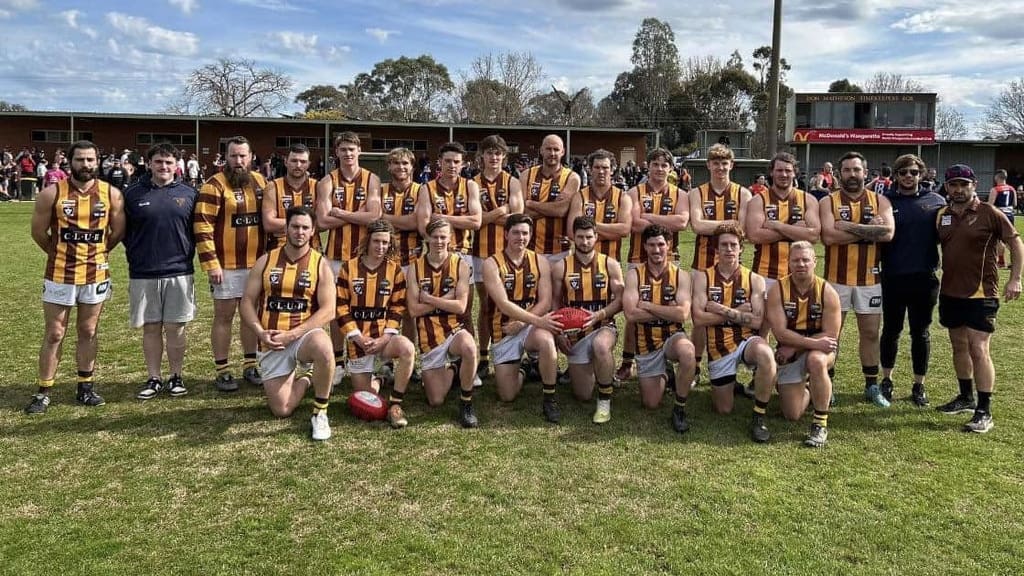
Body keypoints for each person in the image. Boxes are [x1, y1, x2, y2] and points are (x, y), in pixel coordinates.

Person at [25, 140, 125, 414]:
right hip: (59, 274)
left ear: (98, 161)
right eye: (80, 159)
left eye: (90, 160)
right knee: (55, 332)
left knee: (88, 330)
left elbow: (116, 233)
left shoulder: (111, 194)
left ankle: (85, 386)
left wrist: (97, 255)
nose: (86, 165)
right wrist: (59, 255)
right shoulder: (51, 194)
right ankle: (44, 391)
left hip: (95, 274)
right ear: (70, 162)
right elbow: (38, 233)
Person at [935, 164, 1022, 433]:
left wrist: (1016, 278)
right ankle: (965, 397)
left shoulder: (990, 213)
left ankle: (984, 410)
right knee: (958, 345)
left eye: (964, 184)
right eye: (953, 185)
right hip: (950, 291)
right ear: (947, 188)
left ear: (974, 185)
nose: (959, 190)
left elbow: (1016, 243)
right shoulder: (942, 215)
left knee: (978, 348)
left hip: (981, 293)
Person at [239, 206, 336, 440]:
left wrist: (293, 335)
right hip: (272, 341)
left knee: (324, 348)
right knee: (281, 410)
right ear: (286, 228)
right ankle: (308, 376)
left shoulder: (320, 264)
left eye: (305, 228)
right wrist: (260, 333)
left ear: (313, 231)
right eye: (295, 226)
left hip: (303, 337)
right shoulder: (266, 260)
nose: (299, 232)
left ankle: (320, 412)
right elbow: (246, 302)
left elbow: (329, 310)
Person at [819, 151, 894, 408]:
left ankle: (871, 385)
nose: (852, 174)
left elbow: (887, 233)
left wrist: (848, 226)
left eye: (856, 169)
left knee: (871, 333)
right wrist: (867, 229)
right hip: (835, 279)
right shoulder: (828, 202)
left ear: (865, 171)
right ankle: (827, 385)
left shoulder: (880, 200)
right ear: (839, 174)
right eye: (847, 170)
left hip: (869, 280)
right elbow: (828, 237)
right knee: (831, 334)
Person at [123, 143, 198, 400]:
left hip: (179, 271)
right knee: (151, 328)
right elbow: (124, 232)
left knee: (176, 328)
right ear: (149, 163)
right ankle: (154, 377)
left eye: (168, 162)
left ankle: (176, 375)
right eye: (158, 162)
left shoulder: (190, 194)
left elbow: (196, 232)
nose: (163, 167)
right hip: (143, 272)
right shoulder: (132, 194)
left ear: (177, 165)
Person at [194, 135, 268, 392]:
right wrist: (211, 264)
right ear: (225, 157)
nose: (238, 161)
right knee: (224, 317)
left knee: (251, 317)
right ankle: (223, 369)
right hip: (225, 265)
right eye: (233, 156)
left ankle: (250, 364)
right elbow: (202, 226)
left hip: (256, 264)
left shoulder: (260, 182)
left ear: (251, 157)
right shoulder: (213, 185)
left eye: (243, 156)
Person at [691, 224, 777, 442]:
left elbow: (757, 320)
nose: (729, 249)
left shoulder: (754, 279)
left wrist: (722, 310)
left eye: (733, 245)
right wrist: (738, 313)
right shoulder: (703, 278)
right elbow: (699, 319)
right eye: (724, 245)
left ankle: (759, 415)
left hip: (746, 340)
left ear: (741, 249)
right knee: (724, 409)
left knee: (766, 354)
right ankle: (731, 383)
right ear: (716, 250)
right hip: (718, 347)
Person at [481, 213, 565, 422]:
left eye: (525, 233)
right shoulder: (491, 264)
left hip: (528, 326)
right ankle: (527, 368)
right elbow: (503, 304)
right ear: (506, 234)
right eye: (516, 232)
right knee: (507, 396)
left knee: (546, 341)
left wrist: (525, 323)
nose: (521, 237)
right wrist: (531, 322)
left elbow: (545, 302)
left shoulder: (540, 261)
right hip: (504, 330)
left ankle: (549, 398)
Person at [878, 154, 946, 406]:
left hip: (924, 277)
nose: (909, 176)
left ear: (922, 175)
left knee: (921, 332)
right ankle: (887, 379)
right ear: (895, 175)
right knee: (891, 331)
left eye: (914, 172)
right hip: (893, 275)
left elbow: (948, 235)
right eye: (904, 172)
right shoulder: (884, 202)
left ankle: (919, 385)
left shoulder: (936, 202)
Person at [335, 219, 416, 428]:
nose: (381, 247)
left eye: (385, 243)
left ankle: (396, 404)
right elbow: (341, 307)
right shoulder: (348, 267)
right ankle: (380, 377)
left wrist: (386, 337)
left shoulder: (395, 270)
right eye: (377, 241)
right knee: (365, 399)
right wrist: (357, 338)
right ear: (367, 241)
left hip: (384, 338)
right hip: (359, 342)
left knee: (407, 348)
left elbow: (398, 307)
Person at [316, 132, 382, 385]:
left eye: (352, 149)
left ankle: (365, 360)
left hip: (365, 257)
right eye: (343, 149)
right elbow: (322, 221)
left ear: (359, 151)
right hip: (335, 256)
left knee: (366, 308)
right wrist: (359, 214)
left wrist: (341, 212)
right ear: (337, 152)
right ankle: (339, 360)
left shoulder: (371, 179)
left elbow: (375, 216)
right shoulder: (327, 181)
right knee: (335, 311)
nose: (348, 153)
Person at [619, 147, 689, 382]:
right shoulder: (634, 192)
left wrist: (649, 217)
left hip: (671, 257)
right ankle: (627, 361)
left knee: (669, 305)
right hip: (639, 257)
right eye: (655, 164)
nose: (660, 169)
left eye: (664, 165)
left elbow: (682, 222)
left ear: (671, 168)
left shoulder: (680, 194)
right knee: (633, 314)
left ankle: (666, 356)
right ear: (647, 166)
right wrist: (662, 221)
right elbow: (634, 225)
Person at [687, 143, 752, 387]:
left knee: (731, 316)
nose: (720, 168)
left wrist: (714, 224)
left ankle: (727, 368)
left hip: (733, 267)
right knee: (701, 318)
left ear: (731, 165)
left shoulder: (743, 193)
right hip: (702, 265)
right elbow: (697, 225)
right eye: (716, 163)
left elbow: (742, 230)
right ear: (708, 165)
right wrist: (730, 225)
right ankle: (694, 366)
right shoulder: (697, 193)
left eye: (725, 163)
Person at [765, 241, 841, 447]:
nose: (801, 264)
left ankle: (820, 424)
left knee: (816, 361)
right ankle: (812, 388)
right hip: (790, 350)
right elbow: (780, 332)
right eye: (796, 260)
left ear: (815, 262)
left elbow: (830, 335)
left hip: (819, 348)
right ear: (788, 263)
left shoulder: (827, 291)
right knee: (792, 414)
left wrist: (798, 346)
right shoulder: (777, 290)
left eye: (806, 260)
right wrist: (798, 346)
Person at [623, 224, 696, 433]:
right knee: (651, 403)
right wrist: (667, 309)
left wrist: (647, 305)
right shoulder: (634, 275)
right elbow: (630, 314)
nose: (657, 250)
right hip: (646, 342)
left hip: (673, 335)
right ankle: (667, 373)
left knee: (688, 352)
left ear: (669, 245)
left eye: (661, 244)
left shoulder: (681, 275)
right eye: (652, 245)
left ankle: (680, 407)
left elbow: (683, 314)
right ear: (644, 246)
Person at [406, 217, 480, 427]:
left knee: (469, 348)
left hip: (454, 328)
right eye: (435, 237)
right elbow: (413, 310)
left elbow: (461, 307)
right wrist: (447, 299)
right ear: (427, 238)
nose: (439, 241)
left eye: (443, 237)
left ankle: (466, 402)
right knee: (436, 400)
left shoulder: (461, 265)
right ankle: (456, 369)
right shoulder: (415, 268)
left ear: (450, 239)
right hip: (429, 334)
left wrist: (429, 299)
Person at [550, 216, 624, 423]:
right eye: (580, 237)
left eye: (589, 237)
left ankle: (604, 401)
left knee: (601, 346)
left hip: (603, 325)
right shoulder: (560, 267)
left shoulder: (610, 264)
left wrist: (600, 315)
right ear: (573, 237)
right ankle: (599, 368)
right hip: (575, 334)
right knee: (582, 395)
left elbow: (620, 300)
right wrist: (558, 334)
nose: (584, 242)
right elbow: (555, 304)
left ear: (596, 237)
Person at [414, 142, 482, 337]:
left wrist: (442, 218)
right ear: (439, 163)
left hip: (463, 254)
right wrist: (459, 222)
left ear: (463, 164)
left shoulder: (470, 186)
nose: (452, 165)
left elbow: (476, 221)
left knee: (464, 311)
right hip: (436, 256)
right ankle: (436, 352)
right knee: (435, 309)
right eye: (448, 161)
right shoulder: (427, 188)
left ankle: (470, 360)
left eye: (456, 162)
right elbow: (423, 225)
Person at [470, 135, 524, 381]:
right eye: (489, 153)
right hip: (480, 252)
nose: (493, 158)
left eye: (498, 153)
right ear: (482, 156)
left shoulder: (512, 182)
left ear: (504, 156)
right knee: (486, 307)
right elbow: (475, 220)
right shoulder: (472, 182)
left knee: (509, 304)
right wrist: (501, 211)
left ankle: (508, 354)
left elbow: (517, 217)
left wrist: (488, 216)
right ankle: (482, 356)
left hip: (507, 255)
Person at [744, 152, 820, 288]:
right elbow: (754, 236)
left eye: (788, 171)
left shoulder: (808, 200)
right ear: (772, 172)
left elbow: (813, 236)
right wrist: (796, 230)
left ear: (794, 173)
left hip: (800, 274)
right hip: (765, 273)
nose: (783, 174)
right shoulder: (758, 200)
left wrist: (778, 226)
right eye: (779, 170)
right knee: (765, 310)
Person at [521, 134, 581, 261]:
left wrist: (531, 203)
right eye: (548, 149)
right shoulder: (526, 175)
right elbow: (522, 212)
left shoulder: (572, 177)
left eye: (556, 149)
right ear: (541, 150)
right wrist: (552, 207)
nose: (552, 153)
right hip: (530, 248)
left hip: (560, 251)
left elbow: (561, 210)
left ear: (563, 152)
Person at [262, 144, 319, 252]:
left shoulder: (317, 186)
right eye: (294, 161)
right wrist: (307, 225)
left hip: (311, 251)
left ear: (308, 164)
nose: (298, 165)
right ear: (286, 162)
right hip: (279, 251)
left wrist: (283, 226)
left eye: (303, 162)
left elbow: (321, 223)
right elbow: (268, 224)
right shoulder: (273, 187)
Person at [987, 169, 1016, 268]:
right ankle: (1013, 261)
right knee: (1009, 239)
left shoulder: (995, 189)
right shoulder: (1012, 189)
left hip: (1000, 215)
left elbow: (990, 205)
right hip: (1010, 215)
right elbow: (1015, 204)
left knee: (999, 239)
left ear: (997, 177)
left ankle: (1001, 262)